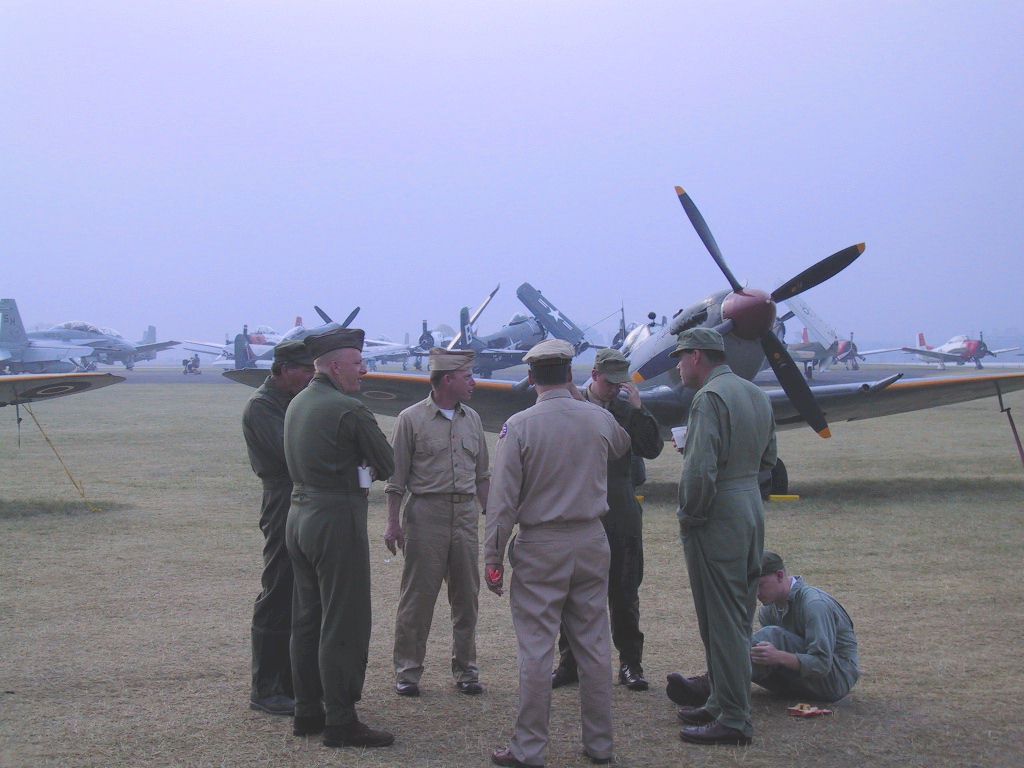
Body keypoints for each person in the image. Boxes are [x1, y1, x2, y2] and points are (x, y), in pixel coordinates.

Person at [485, 339, 631, 768]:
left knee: (536, 648)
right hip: (590, 538)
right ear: (571, 374)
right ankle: (600, 744)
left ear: (531, 377)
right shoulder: (597, 417)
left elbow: (503, 500)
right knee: (594, 645)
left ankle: (530, 749)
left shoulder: (520, 425)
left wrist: (493, 557)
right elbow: (622, 446)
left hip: (541, 543)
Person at [283, 327, 396, 749]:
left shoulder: (297, 402)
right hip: (335, 518)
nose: (364, 370)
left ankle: (307, 711)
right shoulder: (348, 409)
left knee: (307, 619)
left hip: (298, 516)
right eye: (357, 364)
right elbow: (387, 463)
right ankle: (341, 720)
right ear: (334, 366)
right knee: (343, 620)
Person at [672, 327, 777, 747]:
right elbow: (769, 457)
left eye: (681, 357)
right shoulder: (755, 394)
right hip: (750, 504)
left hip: (719, 514)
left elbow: (700, 472)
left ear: (698, 356)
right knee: (734, 611)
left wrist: (690, 515)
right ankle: (720, 700)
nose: (678, 366)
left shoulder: (708, 398)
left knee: (725, 619)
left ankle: (733, 718)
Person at [552, 348, 663, 692]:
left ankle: (631, 663)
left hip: (620, 507)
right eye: (609, 382)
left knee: (624, 590)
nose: (614, 389)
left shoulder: (627, 410)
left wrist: (640, 410)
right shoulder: (572, 406)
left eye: (620, 383)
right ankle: (569, 661)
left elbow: (652, 447)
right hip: (580, 509)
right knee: (572, 591)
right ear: (595, 376)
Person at [384, 347, 490, 697]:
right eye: (466, 376)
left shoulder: (473, 419)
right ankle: (408, 672)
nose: (473, 382)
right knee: (418, 597)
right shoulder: (410, 419)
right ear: (447, 379)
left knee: (467, 597)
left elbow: (482, 476)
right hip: (425, 515)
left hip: (465, 516)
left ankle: (467, 671)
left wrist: (492, 518)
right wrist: (393, 523)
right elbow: (396, 479)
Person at [669, 551, 860, 713]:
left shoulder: (814, 605)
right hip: (802, 679)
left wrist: (778, 657)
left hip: (835, 679)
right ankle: (714, 687)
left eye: (759, 585)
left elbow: (822, 664)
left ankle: (710, 688)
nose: (755, 593)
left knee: (770, 637)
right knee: (755, 645)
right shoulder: (769, 610)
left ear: (779, 576)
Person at [242, 340, 315, 716]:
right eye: (306, 370)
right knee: (278, 590)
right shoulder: (263, 406)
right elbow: (292, 454)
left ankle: (289, 682)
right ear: (285, 369)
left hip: (302, 497)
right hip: (283, 498)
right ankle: (266, 688)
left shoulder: (288, 402)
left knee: (299, 594)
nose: (311, 377)